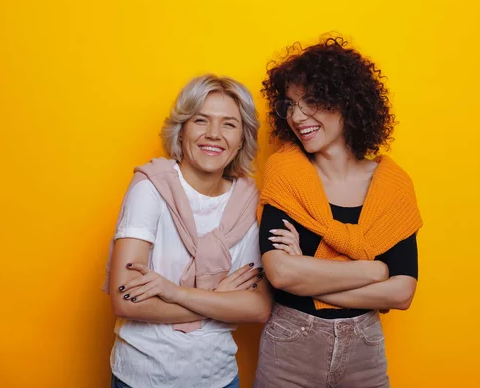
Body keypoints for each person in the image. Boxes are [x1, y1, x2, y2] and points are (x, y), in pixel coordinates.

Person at [254, 36, 423, 388]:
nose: (298, 117)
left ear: (347, 102)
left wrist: (311, 277)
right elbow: (281, 273)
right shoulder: (285, 172)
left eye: (311, 101)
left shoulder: (393, 185)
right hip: (290, 347)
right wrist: (373, 269)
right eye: (290, 105)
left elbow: (401, 292)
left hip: (365, 350)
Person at [102, 74, 271, 388]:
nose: (214, 135)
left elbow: (258, 307)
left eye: (229, 124)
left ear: (242, 138)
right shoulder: (150, 189)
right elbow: (125, 299)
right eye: (201, 120)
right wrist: (217, 300)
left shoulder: (248, 202)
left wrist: (174, 292)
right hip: (142, 376)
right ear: (181, 130)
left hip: (219, 377)